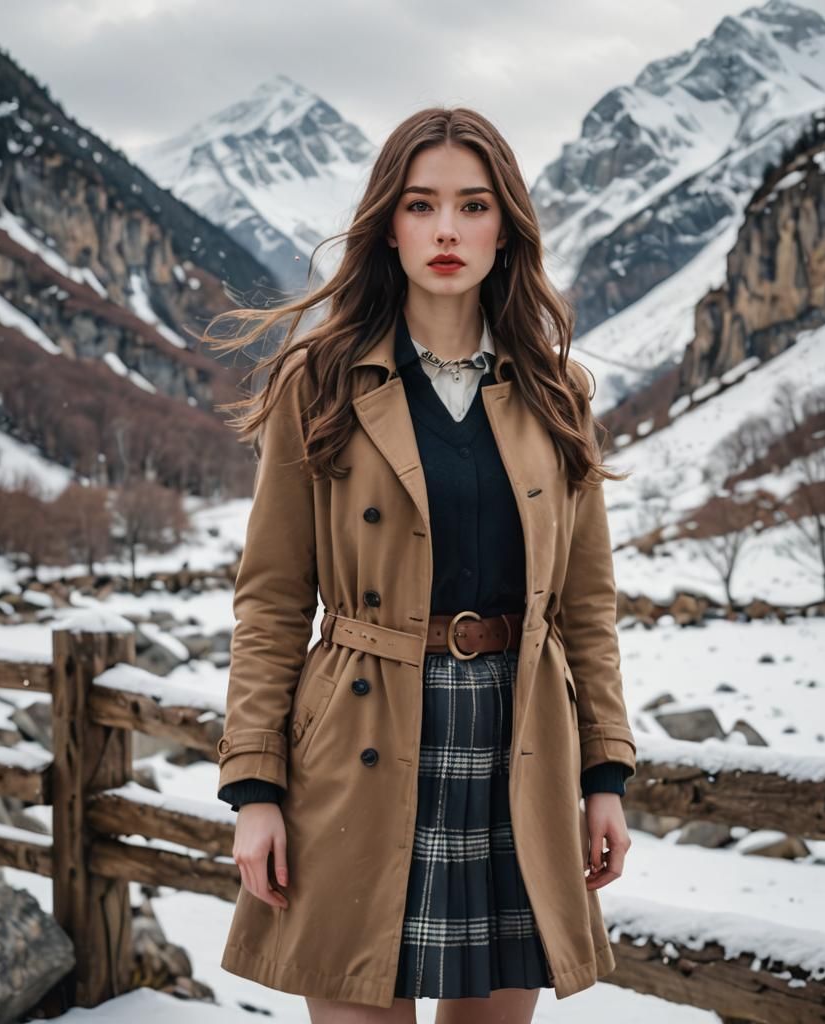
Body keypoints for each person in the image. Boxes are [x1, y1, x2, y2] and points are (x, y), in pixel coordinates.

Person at [201, 106, 636, 1024]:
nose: (446, 230)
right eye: (420, 204)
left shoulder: (560, 393)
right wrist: (255, 787)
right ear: (386, 224)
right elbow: (273, 600)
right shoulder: (316, 382)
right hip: (356, 742)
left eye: (473, 205)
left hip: (519, 745)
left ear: (505, 228)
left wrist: (605, 776)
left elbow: (586, 609)